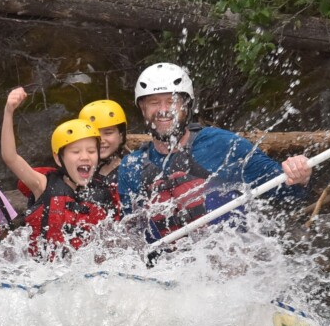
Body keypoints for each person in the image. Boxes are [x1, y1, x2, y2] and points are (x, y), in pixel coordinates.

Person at [117, 62, 312, 242]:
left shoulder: (221, 144)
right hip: (167, 271)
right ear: (142, 109)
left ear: (186, 105)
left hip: (228, 265)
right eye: (153, 102)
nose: (163, 110)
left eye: (171, 101)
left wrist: (299, 175)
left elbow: (287, 191)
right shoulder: (131, 167)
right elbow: (133, 236)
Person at [1, 87, 119, 257]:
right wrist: (8, 111)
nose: (85, 157)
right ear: (58, 159)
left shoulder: (103, 193)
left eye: (91, 151)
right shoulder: (42, 184)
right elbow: (10, 157)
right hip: (42, 272)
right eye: (76, 152)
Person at [78, 99, 129, 185]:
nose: (101, 140)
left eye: (108, 133)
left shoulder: (132, 170)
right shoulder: (76, 169)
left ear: (121, 136)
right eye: (94, 134)